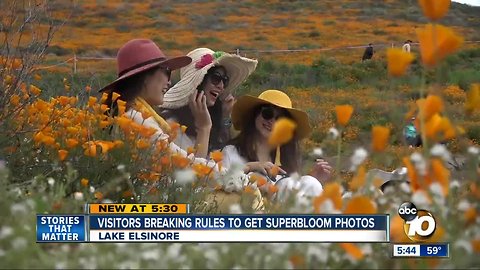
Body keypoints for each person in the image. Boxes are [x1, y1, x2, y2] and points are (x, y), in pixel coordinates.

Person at [99, 39, 214, 158]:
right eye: (167, 72)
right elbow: (189, 168)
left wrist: (203, 129)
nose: (169, 82)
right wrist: (204, 128)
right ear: (145, 77)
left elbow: (188, 168)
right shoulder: (137, 119)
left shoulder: (131, 115)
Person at [222, 89, 333, 200]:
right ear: (255, 115)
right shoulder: (231, 152)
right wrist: (250, 167)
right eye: (267, 114)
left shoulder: (286, 161)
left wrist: (312, 180)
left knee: (310, 182)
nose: (272, 122)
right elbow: (218, 183)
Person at [160, 48, 258, 153]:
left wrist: (225, 118)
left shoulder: (211, 117)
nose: (221, 86)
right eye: (216, 78)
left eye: (225, 81)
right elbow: (196, 167)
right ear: (199, 82)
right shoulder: (172, 125)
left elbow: (222, 158)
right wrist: (204, 128)